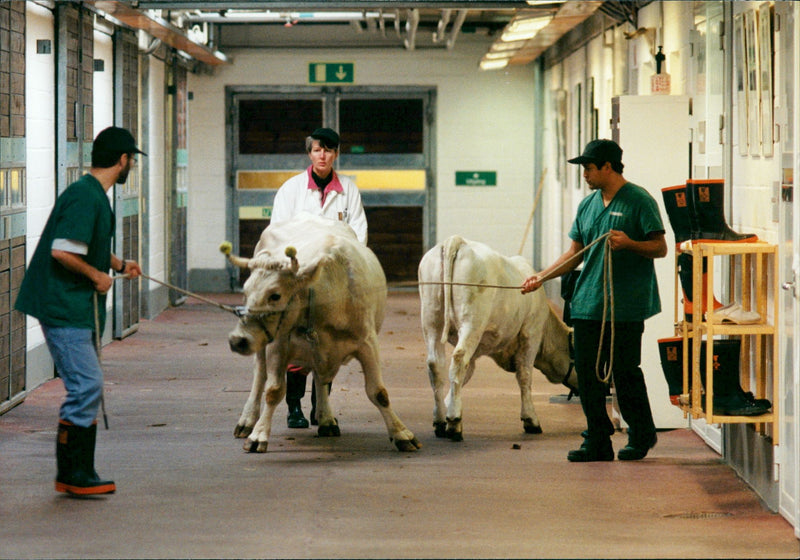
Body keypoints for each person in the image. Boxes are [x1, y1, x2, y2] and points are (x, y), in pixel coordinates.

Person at [15, 126, 144, 494]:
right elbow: (62, 250)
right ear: (122, 160)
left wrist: (118, 264)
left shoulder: (93, 194)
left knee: (85, 384)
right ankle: (73, 474)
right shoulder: (86, 197)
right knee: (87, 383)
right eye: (131, 159)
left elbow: (85, 245)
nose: (131, 165)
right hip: (62, 304)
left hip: (71, 304)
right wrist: (97, 277)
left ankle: (77, 472)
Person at [521, 139, 667, 462]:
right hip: (589, 303)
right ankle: (598, 439)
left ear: (607, 167)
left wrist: (630, 243)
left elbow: (660, 248)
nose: (585, 175)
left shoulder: (639, 201)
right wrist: (541, 278)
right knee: (586, 375)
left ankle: (642, 434)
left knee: (624, 372)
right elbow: (574, 255)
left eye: (588, 168)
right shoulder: (587, 206)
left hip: (625, 306)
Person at [270, 127, 367, 428]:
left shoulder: (348, 190)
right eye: (316, 149)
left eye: (328, 150)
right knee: (297, 342)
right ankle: (294, 408)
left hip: (334, 281)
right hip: (299, 279)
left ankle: (319, 407)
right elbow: (277, 231)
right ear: (309, 153)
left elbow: (359, 234)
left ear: (336, 153)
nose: (322, 155)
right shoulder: (291, 190)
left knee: (327, 344)